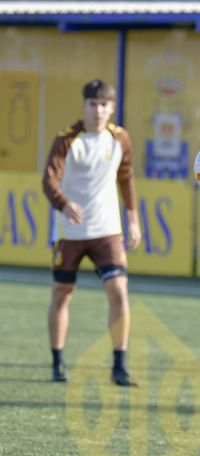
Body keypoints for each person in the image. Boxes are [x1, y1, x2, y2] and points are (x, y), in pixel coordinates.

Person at [43, 79, 141, 387]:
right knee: (62, 294)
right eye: (93, 104)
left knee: (119, 292)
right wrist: (63, 203)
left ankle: (119, 366)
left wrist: (133, 220)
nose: (98, 111)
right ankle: (58, 362)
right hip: (70, 232)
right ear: (84, 105)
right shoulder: (67, 139)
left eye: (104, 105)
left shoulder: (120, 138)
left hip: (107, 230)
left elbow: (126, 178)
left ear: (112, 108)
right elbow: (48, 180)